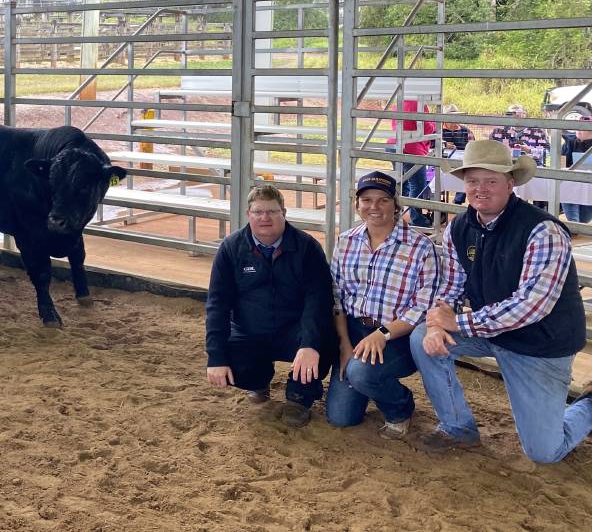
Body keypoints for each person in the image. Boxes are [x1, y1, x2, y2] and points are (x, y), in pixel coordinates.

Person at [413, 140, 592, 463]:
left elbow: (532, 305)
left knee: (544, 452)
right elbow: (451, 284)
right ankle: (457, 427)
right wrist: (436, 322)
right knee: (420, 337)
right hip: (492, 330)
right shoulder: (459, 227)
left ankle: (589, 405)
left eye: (491, 180)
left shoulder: (543, 230)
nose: (480, 189)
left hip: (539, 344)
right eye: (472, 181)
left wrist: (456, 322)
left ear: (511, 184)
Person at [204, 185, 335, 427]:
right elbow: (217, 304)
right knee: (234, 362)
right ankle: (258, 381)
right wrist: (215, 356)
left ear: (284, 213)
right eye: (258, 212)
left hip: (293, 330)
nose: (265, 218)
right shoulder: (231, 248)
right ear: (248, 214)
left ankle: (299, 398)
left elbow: (318, 301)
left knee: (323, 342)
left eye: (272, 212)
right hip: (250, 330)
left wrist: (309, 344)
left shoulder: (307, 247)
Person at [326, 171, 441, 439]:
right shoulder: (346, 241)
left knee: (361, 372)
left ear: (395, 205)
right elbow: (337, 297)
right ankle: (366, 382)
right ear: (357, 204)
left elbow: (422, 307)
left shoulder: (421, 248)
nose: (374, 207)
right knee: (341, 417)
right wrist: (343, 344)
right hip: (354, 330)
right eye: (366, 200)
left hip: (398, 336)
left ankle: (400, 407)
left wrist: (383, 333)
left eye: (383, 200)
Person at [385, 100, 437, 227]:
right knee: (417, 185)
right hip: (411, 148)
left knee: (401, 183)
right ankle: (417, 219)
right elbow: (426, 128)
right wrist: (435, 124)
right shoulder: (419, 103)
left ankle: (397, 216)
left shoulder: (399, 100)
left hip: (394, 144)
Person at [560, 113, 592, 223]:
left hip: (589, 185)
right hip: (571, 183)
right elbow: (561, 161)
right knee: (565, 185)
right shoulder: (569, 142)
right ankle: (572, 224)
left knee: (583, 221)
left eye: (583, 127)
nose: (578, 129)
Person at [441, 104, 473, 205]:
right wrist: (444, 144)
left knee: (469, 173)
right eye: (450, 118)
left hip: (462, 162)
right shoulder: (438, 131)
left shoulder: (466, 131)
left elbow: (472, 145)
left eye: (455, 118)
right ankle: (437, 200)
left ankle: (458, 201)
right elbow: (431, 144)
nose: (453, 121)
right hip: (444, 162)